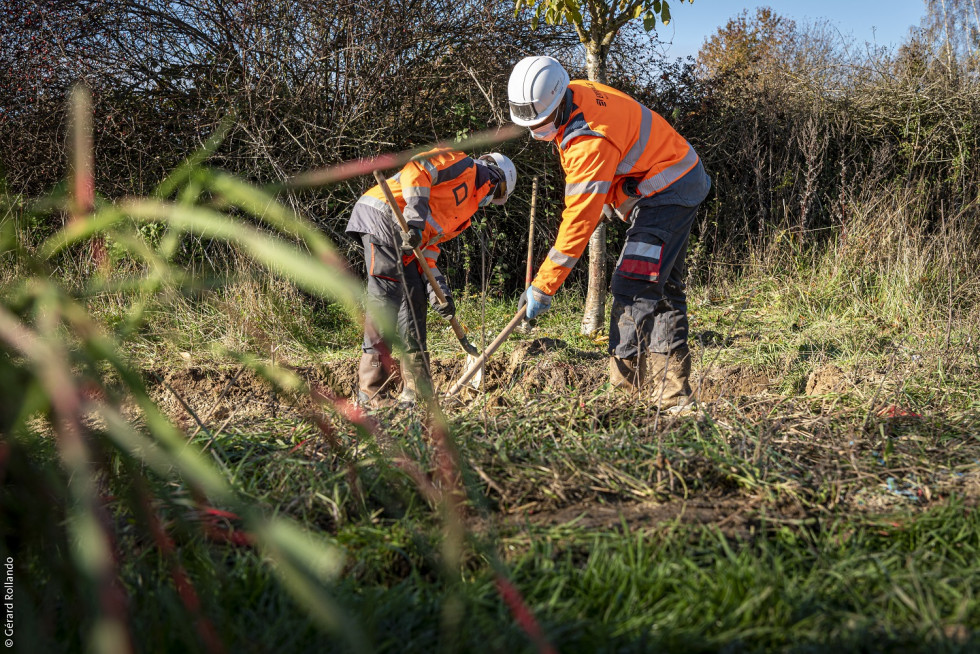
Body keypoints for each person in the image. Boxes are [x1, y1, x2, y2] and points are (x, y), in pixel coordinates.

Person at [507, 56, 711, 411]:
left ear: (557, 103)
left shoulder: (589, 138)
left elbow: (577, 222)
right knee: (661, 290)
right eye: (532, 126)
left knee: (633, 286)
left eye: (542, 124)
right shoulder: (577, 93)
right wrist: (608, 195)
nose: (539, 133)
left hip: (668, 190)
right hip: (676, 177)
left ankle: (622, 399)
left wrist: (544, 285)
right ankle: (675, 399)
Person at [346, 148, 517, 408]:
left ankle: (416, 393)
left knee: (414, 303)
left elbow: (428, 253)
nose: (494, 199)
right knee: (387, 296)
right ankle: (371, 393)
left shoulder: (464, 216)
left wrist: (441, 293)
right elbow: (417, 169)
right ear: (497, 175)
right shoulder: (463, 164)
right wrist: (414, 221)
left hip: (407, 239)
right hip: (384, 213)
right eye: (500, 192)